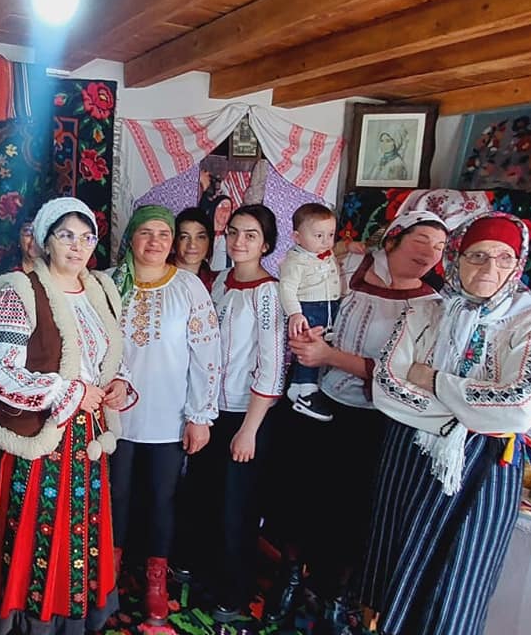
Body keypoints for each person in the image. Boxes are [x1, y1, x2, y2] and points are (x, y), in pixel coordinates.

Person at [364, 212, 531, 635]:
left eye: (504, 258)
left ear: (518, 264)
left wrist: (435, 380)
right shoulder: (424, 312)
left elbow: (520, 407)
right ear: (455, 259)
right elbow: (386, 386)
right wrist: (466, 414)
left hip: (483, 469)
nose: (489, 268)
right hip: (410, 453)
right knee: (392, 557)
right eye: (477, 256)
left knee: (457, 578)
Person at [0, 197, 135, 634]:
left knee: (81, 529)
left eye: (86, 238)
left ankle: (72, 615)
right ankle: (28, 620)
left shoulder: (101, 289)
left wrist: (118, 383)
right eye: (66, 236)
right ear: (46, 240)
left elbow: (110, 356)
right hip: (40, 434)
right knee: (36, 526)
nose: (77, 247)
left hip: (89, 435)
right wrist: (69, 392)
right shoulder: (19, 291)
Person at [281, 209, 448, 632]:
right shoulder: (349, 267)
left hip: (376, 420)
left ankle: (333, 595)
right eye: (420, 242)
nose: (429, 254)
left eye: (440, 247)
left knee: (352, 510)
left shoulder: (431, 305)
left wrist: (330, 356)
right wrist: (311, 338)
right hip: (321, 400)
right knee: (301, 494)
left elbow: (406, 372)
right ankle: (291, 578)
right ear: (392, 240)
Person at [109, 205, 221, 625]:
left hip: (169, 415)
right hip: (114, 417)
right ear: (131, 238)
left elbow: (206, 355)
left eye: (163, 234)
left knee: (162, 498)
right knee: (115, 496)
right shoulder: (107, 283)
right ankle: (108, 578)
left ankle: (156, 583)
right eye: (146, 233)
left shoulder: (188, 287)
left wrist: (199, 415)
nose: (154, 242)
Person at [181, 203, 286, 623]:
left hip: (247, 415)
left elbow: (272, 365)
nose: (240, 241)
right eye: (234, 232)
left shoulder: (269, 293)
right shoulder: (221, 282)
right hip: (211, 411)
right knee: (206, 497)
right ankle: (206, 576)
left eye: (251, 235)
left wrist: (250, 430)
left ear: (267, 245)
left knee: (236, 507)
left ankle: (232, 590)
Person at [278, 203, 342, 421]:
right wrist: (295, 313)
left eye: (330, 234)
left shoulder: (324, 252)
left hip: (328, 307)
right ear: (297, 237)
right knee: (310, 349)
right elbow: (287, 288)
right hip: (309, 309)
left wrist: (349, 246)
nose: (326, 241)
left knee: (323, 346)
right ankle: (307, 392)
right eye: (319, 236)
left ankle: (298, 386)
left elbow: (338, 250)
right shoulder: (295, 261)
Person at [173, 207, 217, 291]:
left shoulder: (218, 283)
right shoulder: (157, 276)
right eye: (184, 237)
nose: (192, 245)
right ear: (175, 241)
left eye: (200, 237)